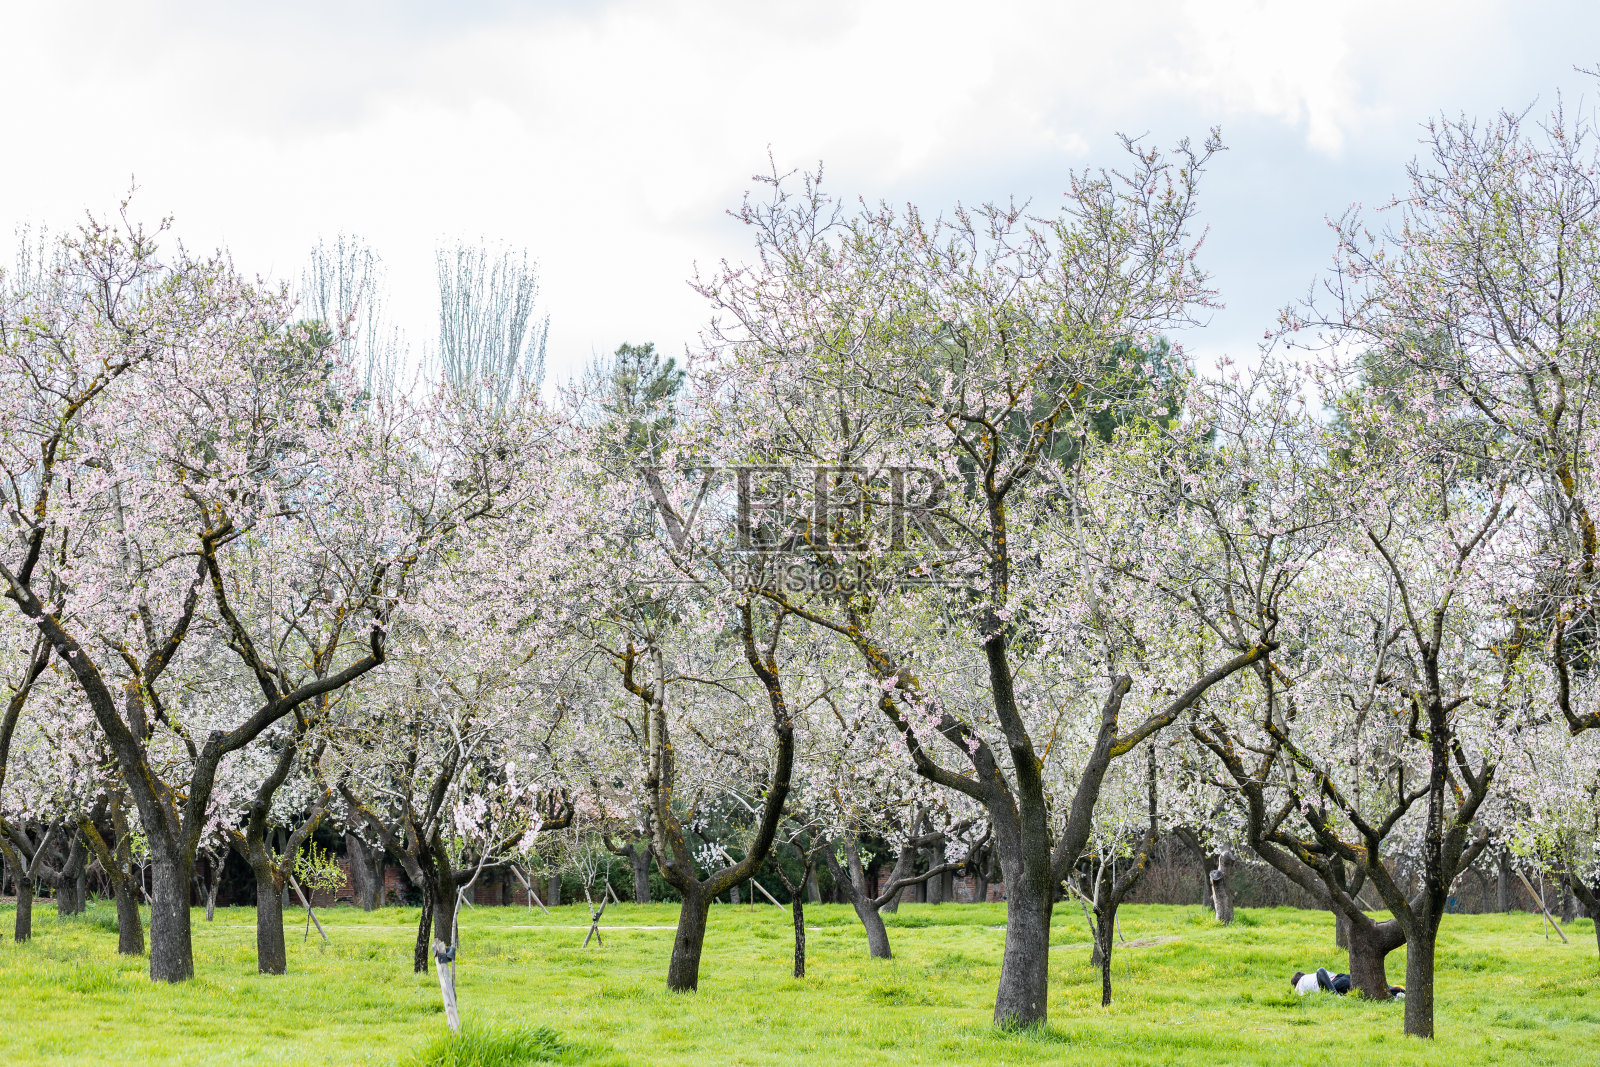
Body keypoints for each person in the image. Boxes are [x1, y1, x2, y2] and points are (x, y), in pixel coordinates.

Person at [1290, 967, 1403, 998]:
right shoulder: (1309, 978)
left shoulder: (1300, 984)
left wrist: (1335, 995)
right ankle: (1399, 991)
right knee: (1368, 985)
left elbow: (1321, 971)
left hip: (1335, 984)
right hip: (1341, 977)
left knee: (1364, 989)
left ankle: (1397, 993)